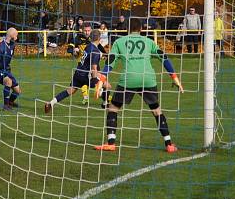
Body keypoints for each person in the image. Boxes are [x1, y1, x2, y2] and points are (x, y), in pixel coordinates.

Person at [94, 18, 184, 153]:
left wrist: (101, 79)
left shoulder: (119, 42)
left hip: (129, 79)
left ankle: (111, 143)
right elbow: (163, 57)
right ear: (141, 29)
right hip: (148, 79)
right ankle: (169, 144)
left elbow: (110, 62)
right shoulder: (148, 41)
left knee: (113, 108)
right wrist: (175, 77)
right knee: (156, 111)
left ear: (127, 29)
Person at [45, 29, 104, 113]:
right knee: (105, 84)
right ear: (99, 38)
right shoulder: (95, 51)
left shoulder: (88, 46)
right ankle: (107, 101)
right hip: (86, 75)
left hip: (78, 72)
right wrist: (96, 83)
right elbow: (94, 69)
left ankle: (51, 103)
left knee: (70, 90)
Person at [0, 27, 20, 110]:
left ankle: (11, 102)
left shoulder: (12, 45)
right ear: (11, 34)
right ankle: (6, 105)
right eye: (16, 35)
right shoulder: (0, 46)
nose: (17, 37)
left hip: (7, 71)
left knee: (17, 91)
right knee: (8, 82)